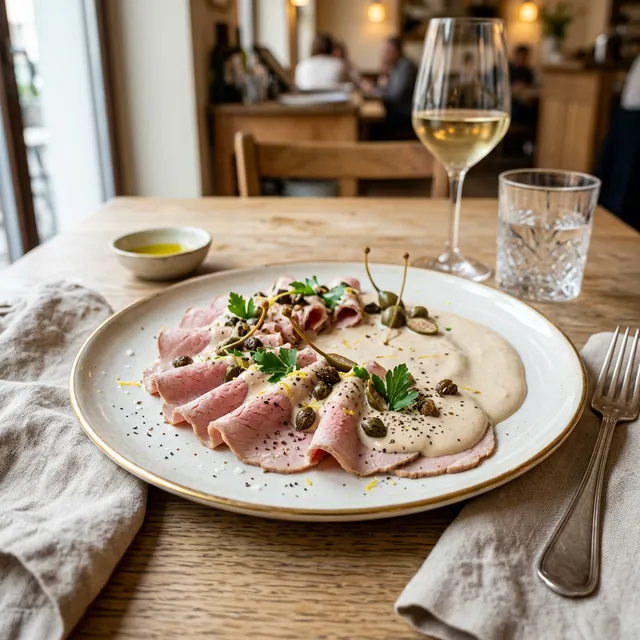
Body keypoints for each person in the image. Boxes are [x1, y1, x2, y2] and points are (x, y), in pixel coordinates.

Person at [362, 37, 418, 139]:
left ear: (396, 51)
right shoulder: (396, 66)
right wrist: (384, 70)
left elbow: (396, 96)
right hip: (397, 110)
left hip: (405, 114)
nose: (384, 54)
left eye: (387, 51)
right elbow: (388, 89)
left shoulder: (406, 67)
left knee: (371, 127)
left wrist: (374, 90)